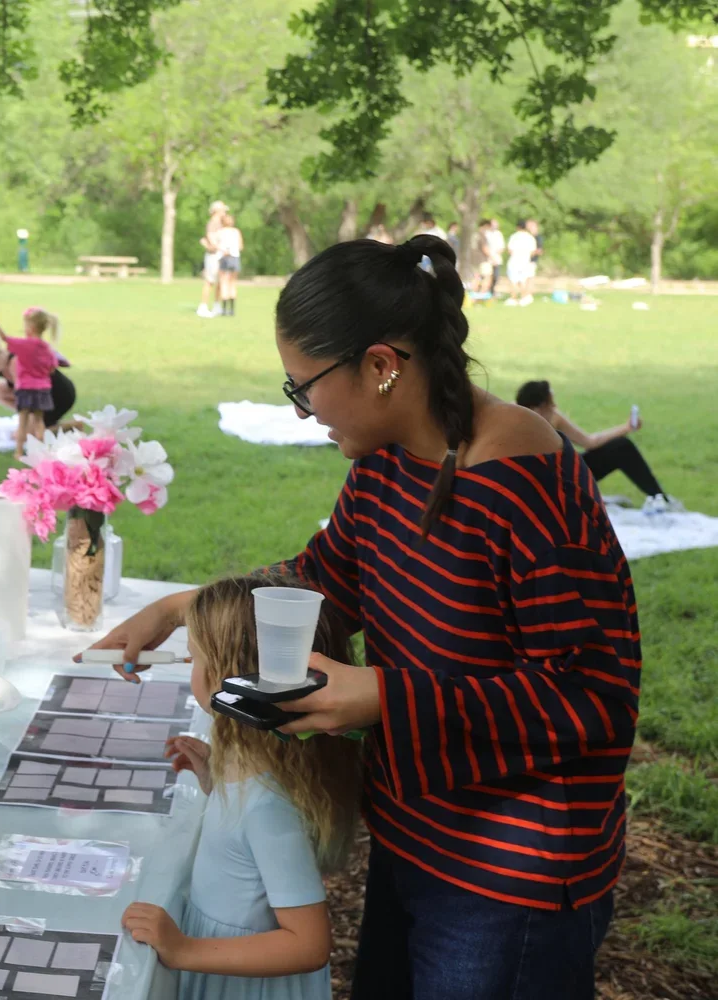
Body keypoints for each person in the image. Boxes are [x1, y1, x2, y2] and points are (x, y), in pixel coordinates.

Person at [87, 235, 637, 999]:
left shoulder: (522, 481)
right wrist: (184, 607)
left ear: (381, 366)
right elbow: (321, 582)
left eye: (303, 386)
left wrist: (384, 696)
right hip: (413, 835)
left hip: (509, 879)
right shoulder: (385, 463)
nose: (303, 410)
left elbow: (594, 698)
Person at [122, 573, 362, 1000]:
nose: (191, 669)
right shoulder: (251, 766)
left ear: (229, 677)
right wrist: (216, 783)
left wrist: (184, 950)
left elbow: (308, 944)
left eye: (195, 658)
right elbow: (245, 849)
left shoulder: (269, 806)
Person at [516, 379, 679, 513]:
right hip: (539, 483)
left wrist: (627, 427)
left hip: (566, 474)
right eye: (550, 405)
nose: (555, 408)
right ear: (536, 409)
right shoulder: (514, 422)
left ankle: (659, 497)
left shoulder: (554, 418)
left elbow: (589, 442)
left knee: (621, 447)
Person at [0, 331, 78, 431]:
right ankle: (38, 424)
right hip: (40, 397)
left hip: (59, 395)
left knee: (27, 436)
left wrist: (24, 426)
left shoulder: (14, 363)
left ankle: (72, 427)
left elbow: (27, 396)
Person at [0, 307, 60, 458]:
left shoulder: (24, 345)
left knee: (23, 422)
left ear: (31, 327)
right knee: (39, 422)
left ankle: (19, 451)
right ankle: (42, 452)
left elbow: (4, 338)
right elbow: (52, 368)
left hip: (25, 389)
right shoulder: (47, 348)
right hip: (43, 389)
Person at [199, 200, 229, 318]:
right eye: (223, 210)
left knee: (220, 282)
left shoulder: (220, 224)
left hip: (219, 255)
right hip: (213, 256)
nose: (225, 213)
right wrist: (222, 249)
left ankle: (217, 306)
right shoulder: (212, 223)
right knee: (210, 281)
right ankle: (203, 307)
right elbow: (212, 241)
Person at [214, 214, 244, 316]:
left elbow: (216, 245)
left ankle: (224, 309)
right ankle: (232, 310)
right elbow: (240, 246)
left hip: (224, 258)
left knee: (224, 282)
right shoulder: (236, 232)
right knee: (232, 283)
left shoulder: (220, 232)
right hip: (235, 258)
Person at [505, 219, 538, 305]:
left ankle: (513, 298)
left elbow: (510, 250)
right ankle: (523, 297)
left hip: (514, 261)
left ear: (518, 227)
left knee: (513, 280)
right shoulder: (530, 237)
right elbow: (533, 251)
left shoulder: (514, 236)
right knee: (523, 280)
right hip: (525, 262)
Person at [482, 217, 506, 296]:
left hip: (496, 258)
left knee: (496, 276)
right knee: (486, 276)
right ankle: (486, 291)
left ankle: (493, 291)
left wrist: (496, 255)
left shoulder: (499, 234)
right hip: (487, 258)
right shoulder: (486, 233)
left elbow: (502, 247)